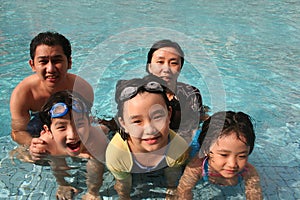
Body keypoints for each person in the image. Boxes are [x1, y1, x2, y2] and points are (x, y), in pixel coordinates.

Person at [106, 76, 189, 199]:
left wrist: (171, 189)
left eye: (157, 117)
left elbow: (173, 173)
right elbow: (123, 184)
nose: (150, 130)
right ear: (123, 124)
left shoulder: (178, 147)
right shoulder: (116, 154)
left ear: (169, 114)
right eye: (137, 121)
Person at [10, 31, 94, 149]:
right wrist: (33, 144)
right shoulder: (23, 94)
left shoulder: (81, 89)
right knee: (24, 155)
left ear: (69, 63)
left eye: (57, 61)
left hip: (69, 127)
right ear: (32, 65)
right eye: (43, 62)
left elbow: (84, 123)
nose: (50, 69)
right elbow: (18, 132)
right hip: (38, 123)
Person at [29, 90, 107, 200]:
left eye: (79, 124)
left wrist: (93, 192)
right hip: (58, 144)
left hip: (95, 134)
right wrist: (63, 184)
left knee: (104, 130)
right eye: (61, 127)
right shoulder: (45, 144)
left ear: (88, 123)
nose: (72, 135)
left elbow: (97, 169)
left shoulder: (96, 140)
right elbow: (56, 165)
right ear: (48, 131)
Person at [176, 111, 263, 199]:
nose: (232, 164)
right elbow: (183, 191)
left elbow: (255, 195)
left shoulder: (248, 172)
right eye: (224, 155)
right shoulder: (196, 167)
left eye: (242, 156)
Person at [146, 39, 208, 147]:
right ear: (149, 67)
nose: (166, 69)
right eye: (160, 62)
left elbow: (194, 126)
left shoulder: (190, 94)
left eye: (173, 63)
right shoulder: (138, 95)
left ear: (180, 68)